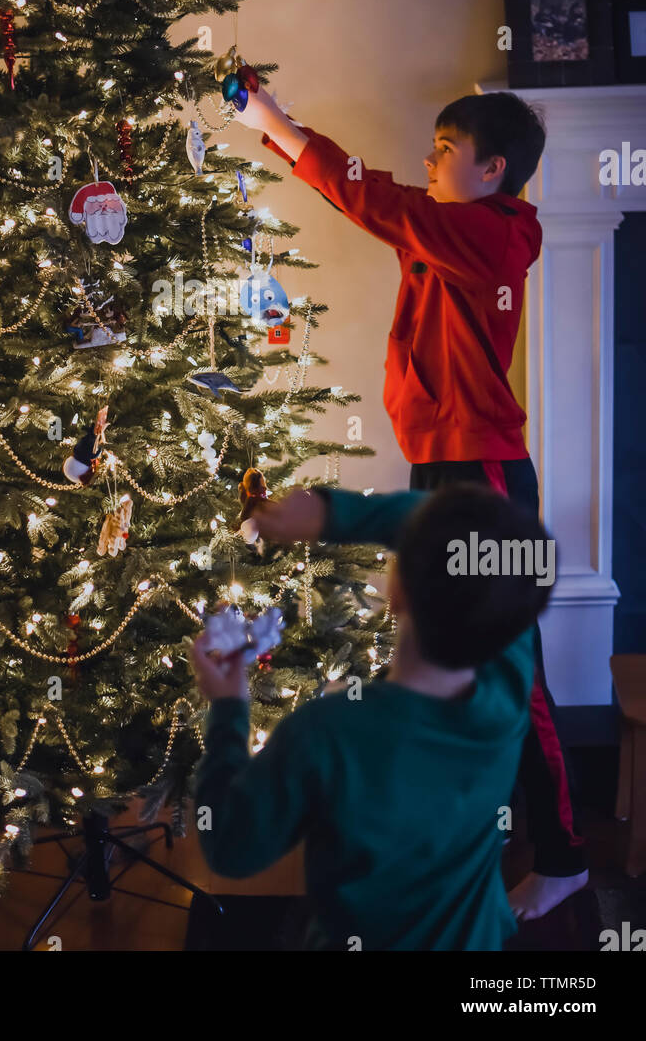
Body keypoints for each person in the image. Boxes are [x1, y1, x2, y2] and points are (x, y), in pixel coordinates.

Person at [231, 84, 587, 919]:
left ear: (493, 170)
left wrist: (278, 125)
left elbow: (374, 198)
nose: (428, 159)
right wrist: (282, 131)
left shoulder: (494, 234)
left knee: (512, 666)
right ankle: (470, 835)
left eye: (444, 148)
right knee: (441, 655)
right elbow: (380, 197)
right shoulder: (451, 230)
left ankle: (568, 854)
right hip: (444, 462)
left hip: (484, 471)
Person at [192, 483, 553, 950]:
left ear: (397, 593)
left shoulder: (327, 734)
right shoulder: (509, 682)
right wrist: (331, 515)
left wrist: (226, 710)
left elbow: (230, 846)